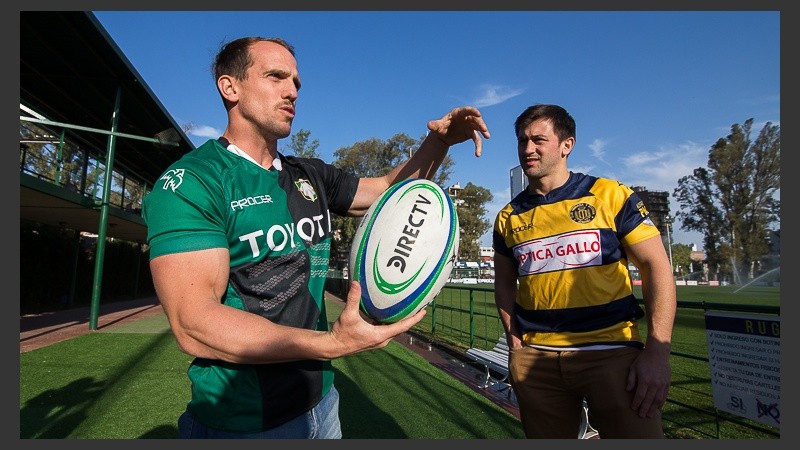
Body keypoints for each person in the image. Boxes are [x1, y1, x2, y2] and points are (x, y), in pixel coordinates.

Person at [142, 36, 490, 439]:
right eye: (276, 77)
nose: (292, 91)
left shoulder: (307, 174)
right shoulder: (192, 182)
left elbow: (386, 193)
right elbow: (193, 322)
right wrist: (331, 344)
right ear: (230, 87)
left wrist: (439, 141)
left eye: (296, 82)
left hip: (322, 403)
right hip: (244, 419)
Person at [492, 104, 676, 439]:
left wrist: (658, 353)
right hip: (537, 361)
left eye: (538, 140)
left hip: (611, 353)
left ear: (567, 145)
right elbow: (504, 284)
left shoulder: (611, 196)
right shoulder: (508, 216)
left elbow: (657, 268)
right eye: (522, 140)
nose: (527, 149)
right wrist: (515, 343)